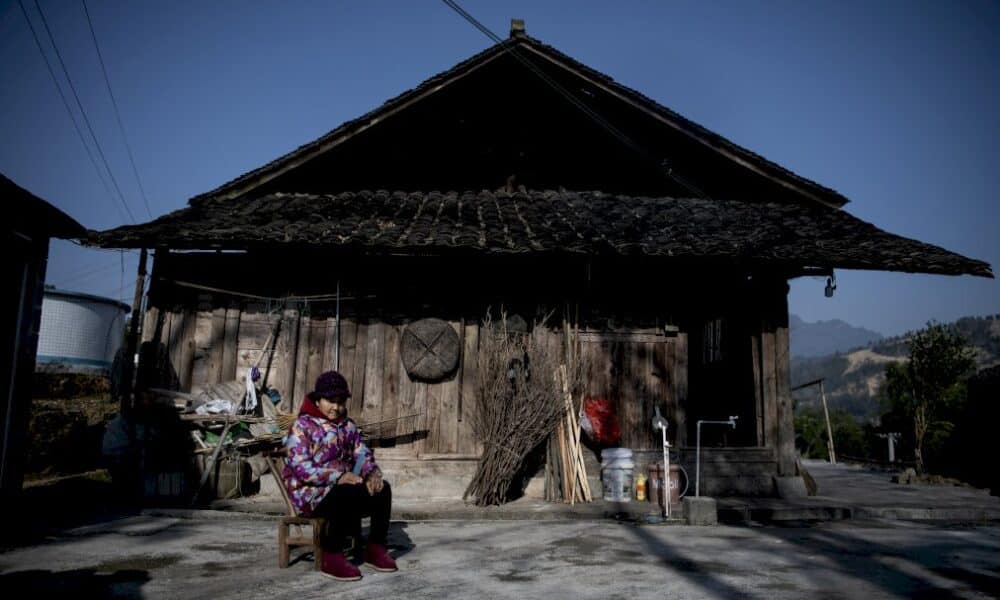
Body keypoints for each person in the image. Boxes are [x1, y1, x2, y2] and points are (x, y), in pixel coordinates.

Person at [282, 370, 397, 581]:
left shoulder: (348, 426)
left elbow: (361, 454)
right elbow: (301, 468)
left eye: (341, 401)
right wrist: (337, 477)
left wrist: (371, 473)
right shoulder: (301, 427)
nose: (336, 407)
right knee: (344, 492)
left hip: (342, 488)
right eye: (330, 400)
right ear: (317, 400)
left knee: (383, 489)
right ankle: (331, 555)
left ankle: (375, 548)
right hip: (309, 494)